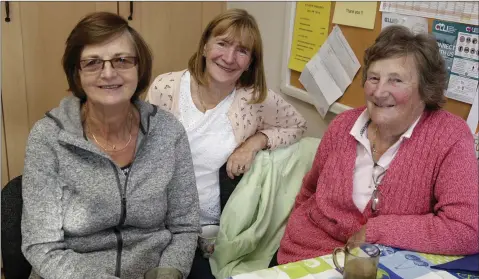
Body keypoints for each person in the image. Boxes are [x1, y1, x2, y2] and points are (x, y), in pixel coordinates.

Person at [274, 25, 479, 265]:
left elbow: (466, 228)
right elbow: (309, 192)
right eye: (374, 78)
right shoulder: (342, 126)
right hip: (306, 256)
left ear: (425, 90)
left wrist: (376, 231)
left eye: (396, 80)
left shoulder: (449, 137)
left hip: (381, 266)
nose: (380, 92)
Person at [21, 12, 200, 279]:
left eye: (122, 60)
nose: (108, 73)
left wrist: (169, 271)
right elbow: (42, 246)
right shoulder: (48, 137)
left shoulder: (168, 131)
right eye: (92, 62)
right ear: (76, 73)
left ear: (139, 68)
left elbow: (185, 227)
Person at [145, 8, 307, 279]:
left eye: (242, 51)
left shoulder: (255, 99)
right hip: (161, 223)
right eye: (222, 43)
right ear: (206, 45)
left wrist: (255, 142)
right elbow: (142, 154)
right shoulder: (167, 87)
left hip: (213, 231)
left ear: (250, 62)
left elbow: (297, 126)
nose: (230, 58)